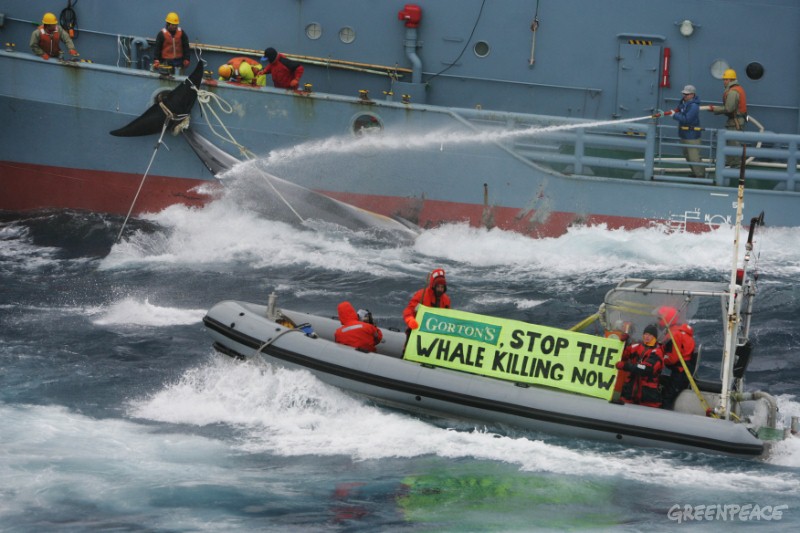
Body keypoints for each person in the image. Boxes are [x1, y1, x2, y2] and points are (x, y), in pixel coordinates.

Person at [656, 305, 696, 410]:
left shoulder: (673, 335)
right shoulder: (678, 331)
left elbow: (672, 358)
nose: (658, 321)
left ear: (667, 319)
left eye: (660, 319)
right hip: (684, 370)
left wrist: (658, 358)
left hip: (681, 372)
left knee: (666, 398)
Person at [615, 324, 665, 408]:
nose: (647, 336)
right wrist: (623, 343)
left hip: (647, 397)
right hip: (630, 393)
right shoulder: (636, 346)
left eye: (650, 335)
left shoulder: (657, 352)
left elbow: (647, 369)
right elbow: (621, 356)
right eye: (645, 334)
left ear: (655, 337)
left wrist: (626, 366)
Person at [709, 69, 747, 167]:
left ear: (730, 80)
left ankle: (735, 165)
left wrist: (714, 109)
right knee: (731, 143)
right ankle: (731, 162)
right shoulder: (737, 89)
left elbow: (729, 108)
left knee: (733, 144)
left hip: (735, 122)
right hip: (735, 121)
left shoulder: (733, 92)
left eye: (725, 79)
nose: (724, 81)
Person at [403, 268, 451, 332]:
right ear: (434, 286)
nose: (440, 289)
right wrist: (409, 319)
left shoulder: (446, 299)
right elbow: (409, 310)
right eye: (438, 287)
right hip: (416, 329)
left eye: (442, 287)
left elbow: (447, 316)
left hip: (435, 331)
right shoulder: (421, 295)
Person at [672, 85, 705, 178]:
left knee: (694, 158)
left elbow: (687, 119)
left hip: (692, 136)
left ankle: (701, 176)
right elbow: (680, 111)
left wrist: (674, 115)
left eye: (687, 94)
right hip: (685, 134)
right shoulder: (683, 102)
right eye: (684, 94)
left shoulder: (693, 106)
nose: (684, 95)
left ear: (692, 95)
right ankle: (696, 173)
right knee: (688, 156)